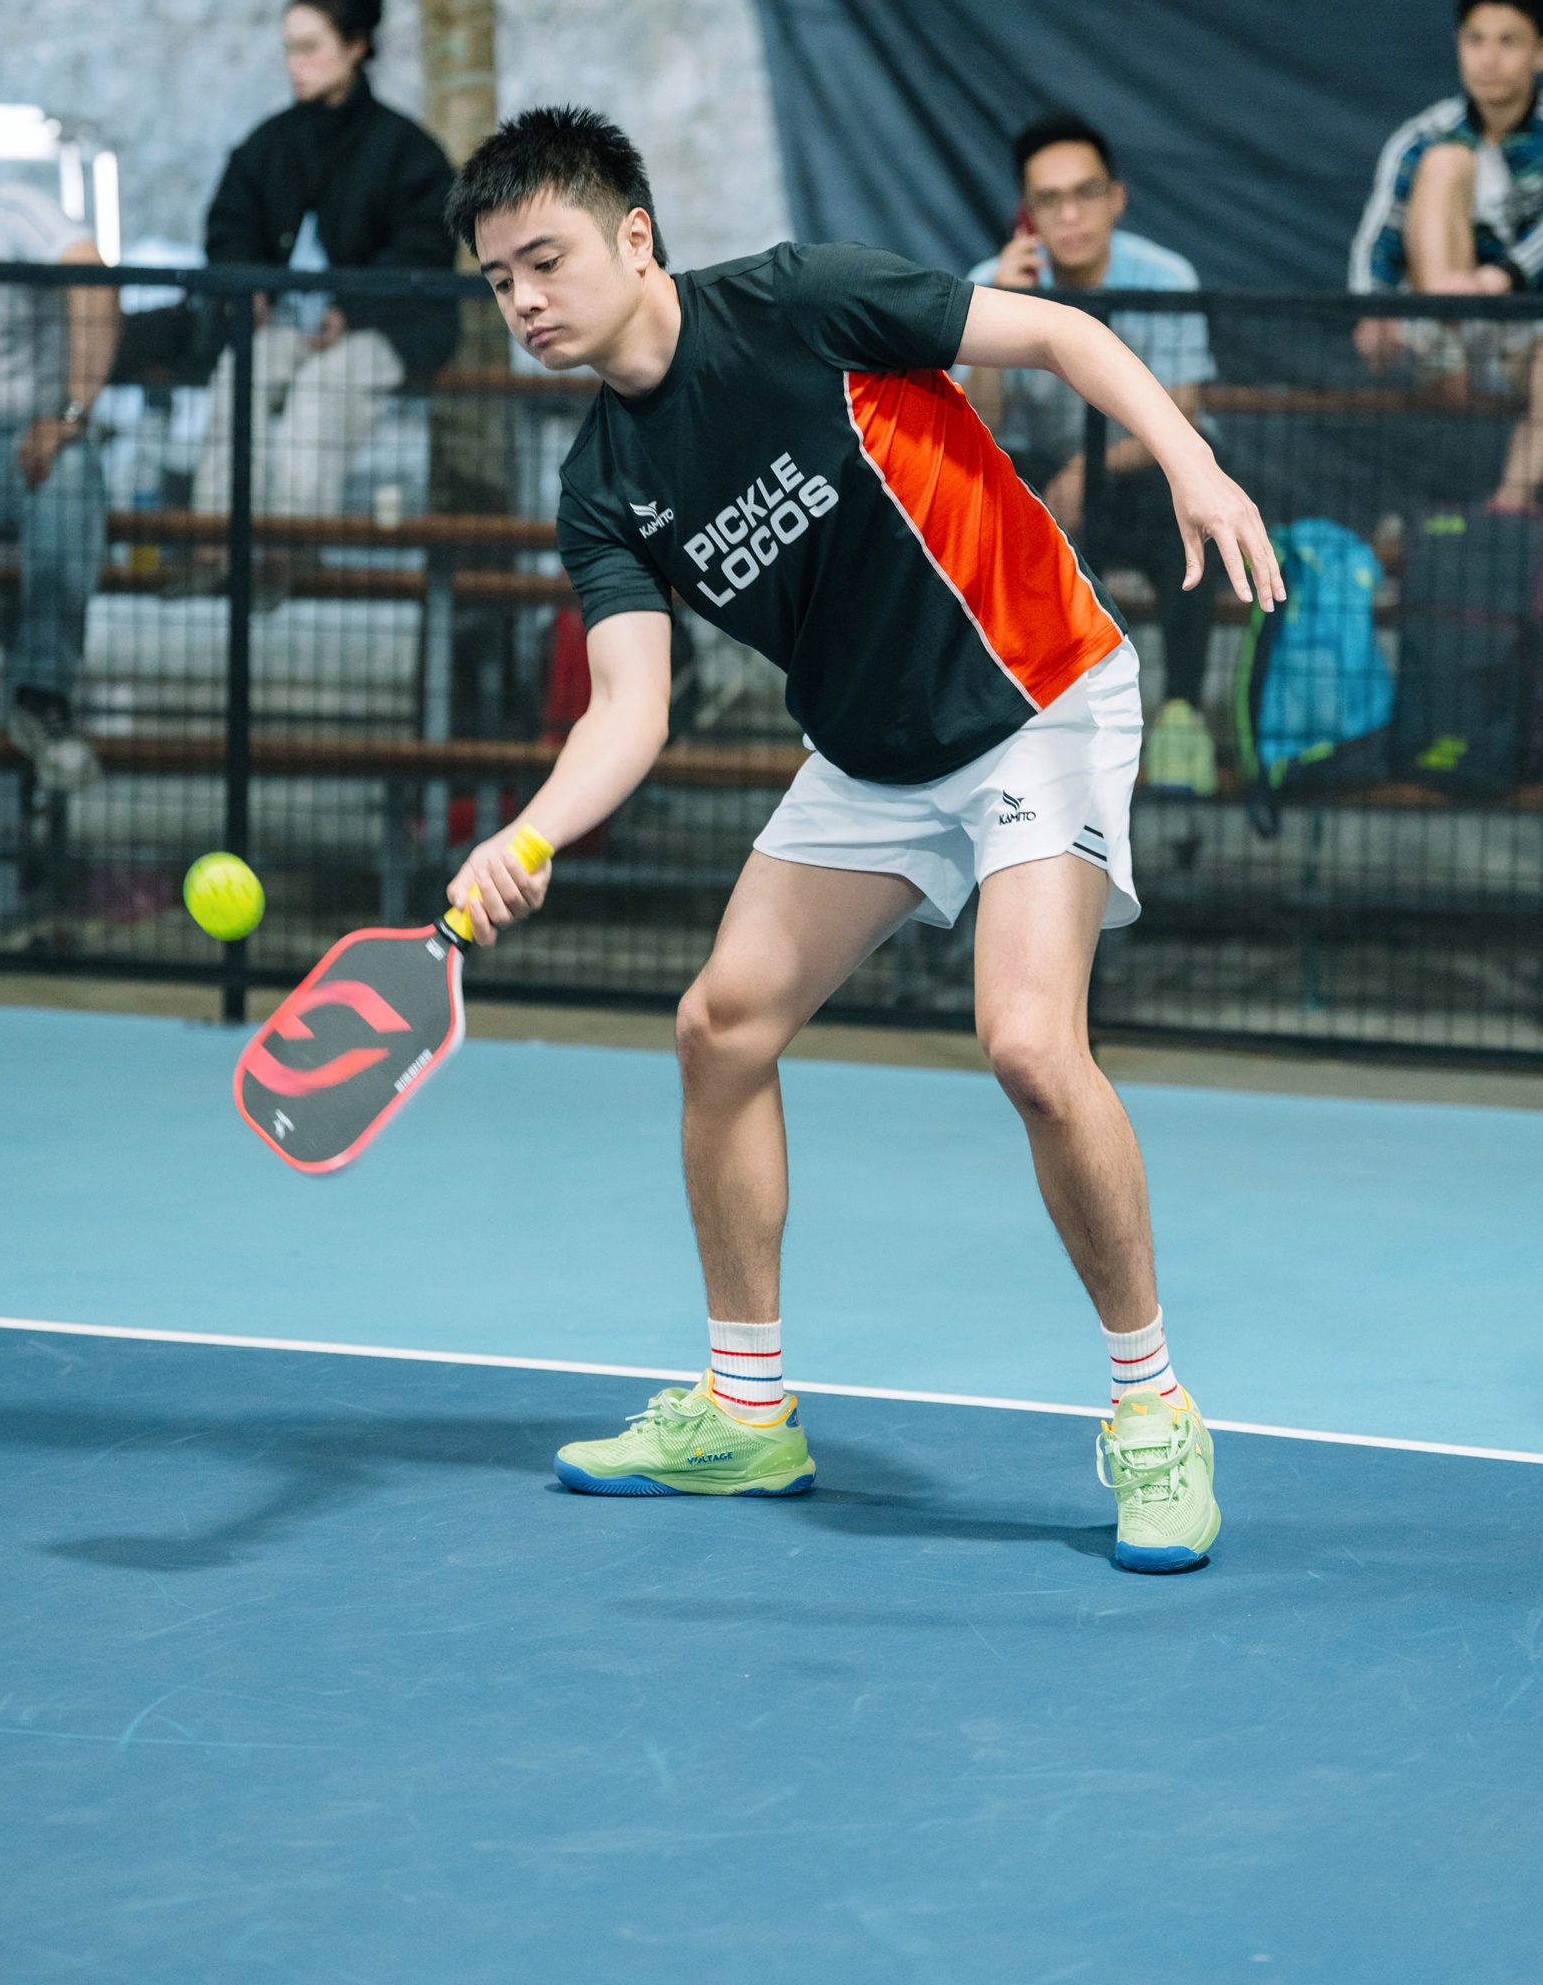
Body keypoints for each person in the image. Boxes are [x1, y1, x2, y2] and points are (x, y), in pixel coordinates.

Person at [442, 106, 1281, 1572]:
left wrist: (1190, 465)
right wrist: (529, 835)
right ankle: (746, 1411)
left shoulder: (802, 300)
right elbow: (630, 708)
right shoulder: (600, 488)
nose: (524, 300)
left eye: (545, 259)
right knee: (719, 1027)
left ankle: (1153, 1408)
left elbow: (1061, 336)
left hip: (1036, 694)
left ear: (634, 237)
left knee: (1029, 1046)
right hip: (873, 758)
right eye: (500, 278)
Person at [963, 113, 1222, 799]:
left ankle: (1181, 715)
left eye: (1085, 193)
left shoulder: (1164, 276)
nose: (1070, 215)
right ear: (1027, 214)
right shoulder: (991, 281)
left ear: (1116, 198)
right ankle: (1043, 715)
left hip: (1138, 471)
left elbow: (1182, 412)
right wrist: (1000, 308)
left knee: (1194, 519)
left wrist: (1087, 469)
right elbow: (977, 423)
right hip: (1043, 479)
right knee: (994, 501)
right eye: (1049, 200)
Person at [191, 0, 457, 555]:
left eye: (310, 48)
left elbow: (423, 247)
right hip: (286, 325)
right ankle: (219, 545)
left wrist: (354, 309)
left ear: (356, 47)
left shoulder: (407, 150)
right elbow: (230, 226)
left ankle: (286, 551)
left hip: (385, 329)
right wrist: (249, 289)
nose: (296, 63)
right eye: (290, 49)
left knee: (322, 392)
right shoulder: (270, 143)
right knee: (241, 373)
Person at [1351, 0, 1543, 513]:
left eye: (1508, 41)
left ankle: (1507, 511)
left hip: (1529, 336)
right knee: (1446, 163)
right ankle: (1445, 345)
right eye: (1476, 40)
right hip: (1437, 334)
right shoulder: (1427, 133)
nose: (1488, 59)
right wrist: (1372, 309)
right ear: (1458, 44)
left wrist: (1500, 278)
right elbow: (1380, 230)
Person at [0, 168, 116, 792]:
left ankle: (41, 699)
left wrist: (70, 414)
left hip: (17, 443)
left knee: (71, 471)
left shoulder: (11, 211)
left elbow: (94, 281)